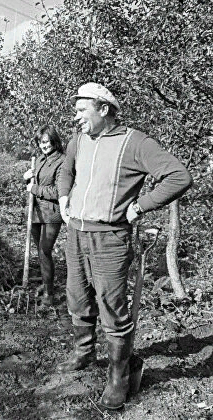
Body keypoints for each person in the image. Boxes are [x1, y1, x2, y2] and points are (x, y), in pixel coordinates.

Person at [56, 83, 192, 410]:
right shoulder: (79, 140)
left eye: (81, 110)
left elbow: (178, 176)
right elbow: (65, 170)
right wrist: (64, 199)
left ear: (104, 109)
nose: (76, 117)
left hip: (110, 239)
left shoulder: (136, 142)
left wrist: (140, 206)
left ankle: (119, 375)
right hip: (76, 233)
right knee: (77, 296)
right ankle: (84, 353)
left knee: (112, 307)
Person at [22, 125, 66, 309]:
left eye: (46, 142)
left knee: (44, 250)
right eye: (40, 142)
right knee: (40, 252)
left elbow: (58, 191)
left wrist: (34, 189)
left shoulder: (62, 161)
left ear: (54, 141)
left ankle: (49, 294)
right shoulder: (39, 159)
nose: (43, 145)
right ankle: (46, 282)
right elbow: (32, 182)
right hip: (35, 212)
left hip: (51, 214)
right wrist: (26, 178)